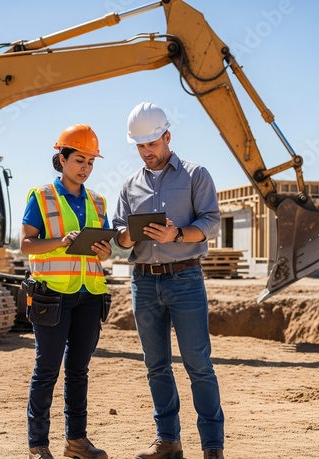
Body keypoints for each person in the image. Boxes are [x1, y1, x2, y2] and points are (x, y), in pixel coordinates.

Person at [112, 102, 225, 459]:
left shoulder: (195, 175)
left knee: (198, 364)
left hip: (185, 279)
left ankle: (212, 447)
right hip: (143, 283)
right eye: (141, 146)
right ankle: (168, 441)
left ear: (167, 137)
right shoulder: (130, 184)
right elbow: (118, 235)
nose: (147, 152)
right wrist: (129, 237)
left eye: (153, 144)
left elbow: (211, 222)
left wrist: (177, 234)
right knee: (155, 364)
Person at [21, 124, 112, 459]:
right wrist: (60, 242)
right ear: (62, 158)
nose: (85, 167)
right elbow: (25, 245)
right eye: (79, 159)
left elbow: (104, 249)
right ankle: (38, 445)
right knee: (47, 370)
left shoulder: (99, 201)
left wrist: (105, 253)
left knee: (79, 370)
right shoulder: (41, 196)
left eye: (90, 161)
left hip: (90, 295)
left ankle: (76, 441)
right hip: (52, 295)